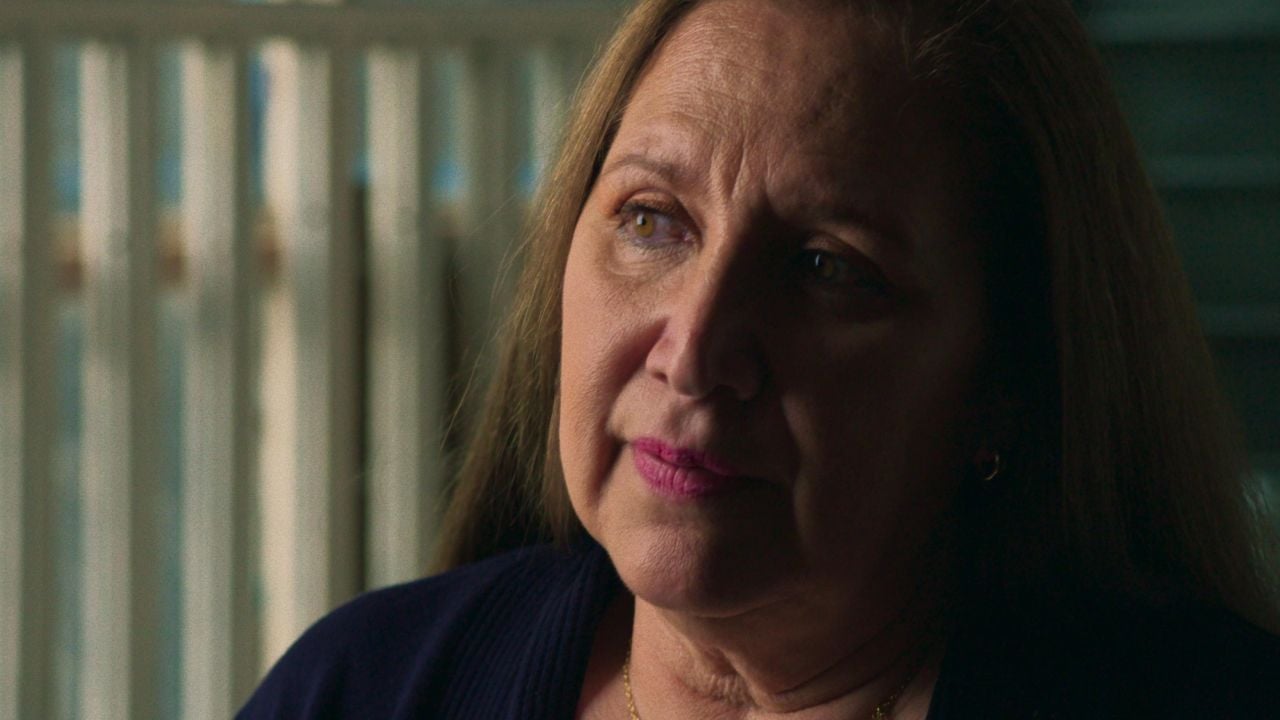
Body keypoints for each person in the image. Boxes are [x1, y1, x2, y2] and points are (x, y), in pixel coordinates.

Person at [239, 0, 1280, 717]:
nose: (694, 352)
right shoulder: (367, 687)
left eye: (827, 268)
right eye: (651, 220)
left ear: (1004, 384)